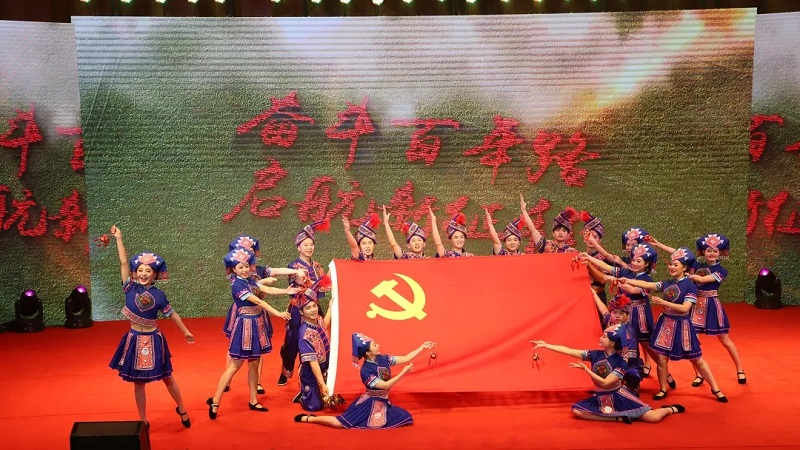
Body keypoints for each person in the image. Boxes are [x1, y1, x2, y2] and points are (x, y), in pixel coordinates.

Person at [613, 247, 728, 403]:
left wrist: (663, 302)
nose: (671, 267)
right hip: (666, 324)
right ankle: (663, 388)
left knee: (697, 359)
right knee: (661, 358)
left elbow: (685, 308)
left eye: (675, 265)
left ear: (684, 267)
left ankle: (715, 388)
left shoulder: (690, 286)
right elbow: (648, 285)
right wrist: (626, 280)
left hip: (682, 325)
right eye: (671, 264)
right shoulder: (666, 283)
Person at [107, 225, 194, 429]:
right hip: (134, 340)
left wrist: (185, 331)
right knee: (138, 383)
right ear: (135, 272)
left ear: (155, 274)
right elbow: (123, 262)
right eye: (140, 270)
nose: (144, 273)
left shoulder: (159, 295)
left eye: (148, 271)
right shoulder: (129, 287)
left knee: (168, 378)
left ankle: (182, 408)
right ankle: (143, 419)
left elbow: (172, 314)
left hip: (154, 339)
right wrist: (119, 238)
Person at [532, 326, 686, 424]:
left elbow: (606, 383)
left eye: (604, 336)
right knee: (577, 411)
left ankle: (669, 409)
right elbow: (570, 351)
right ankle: (618, 418)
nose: (601, 338)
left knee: (653, 418)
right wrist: (546, 345)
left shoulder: (621, 362)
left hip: (619, 397)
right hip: (601, 397)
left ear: (612, 343)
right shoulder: (595, 354)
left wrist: (586, 370)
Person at [207, 248, 295, 419]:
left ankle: (253, 400)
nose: (245, 269)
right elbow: (258, 301)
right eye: (240, 267)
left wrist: (286, 291)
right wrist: (278, 313)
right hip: (244, 326)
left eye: (246, 266)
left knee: (254, 364)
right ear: (234, 269)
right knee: (234, 366)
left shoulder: (250, 281)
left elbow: (265, 288)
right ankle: (216, 400)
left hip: (256, 325)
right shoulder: (237, 285)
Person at [650, 233, 746, 386]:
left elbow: (702, 279)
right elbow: (679, 254)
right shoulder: (697, 264)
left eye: (715, 251)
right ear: (703, 251)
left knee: (724, 339)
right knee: (692, 341)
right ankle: (698, 374)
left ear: (720, 253)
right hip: (693, 305)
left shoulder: (721, 270)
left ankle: (740, 368)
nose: (712, 253)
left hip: (711, 305)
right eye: (709, 250)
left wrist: (686, 275)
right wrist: (659, 245)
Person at [294, 333, 436, 428]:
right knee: (340, 423)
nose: (378, 345)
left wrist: (422, 347)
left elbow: (406, 358)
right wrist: (404, 372)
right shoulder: (365, 371)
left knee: (405, 417)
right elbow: (385, 385)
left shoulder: (383, 358)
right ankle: (310, 419)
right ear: (367, 353)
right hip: (370, 402)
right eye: (374, 345)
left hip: (383, 401)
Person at [224, 236, 307, 394]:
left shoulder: (259, 269)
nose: (248, 254)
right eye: (244, 251)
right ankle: (227, 379)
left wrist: (296, 271)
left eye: (250, 250)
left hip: (259, 311)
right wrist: (264, 282)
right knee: (233, 346)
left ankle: (257, 382)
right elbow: (250, 287)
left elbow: (277, 271)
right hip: (242, 311)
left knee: (258, 347)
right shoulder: (236, 272)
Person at [581, 242, 661, 380]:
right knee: (619, 341)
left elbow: (633, 290)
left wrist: (615, 280)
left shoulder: (647, 279)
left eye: (639, 261)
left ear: (646, 264)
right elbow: (606, 267)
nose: (634, 263)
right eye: (633, 260)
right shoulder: (626, 272)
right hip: (622, 313)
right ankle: (621, 373)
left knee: (647, 345)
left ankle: (663, 371)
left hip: (639, 315)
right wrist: (588, 257)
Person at [279, 219, 330, 386]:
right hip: (298, 309)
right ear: (298, 247)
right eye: (305, 245)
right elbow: (301, 284)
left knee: (319, 339)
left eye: (311, 244)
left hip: (314, 307)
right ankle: (286, 370)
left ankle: (316, 372)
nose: (309, 247)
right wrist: (319, 282)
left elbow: (324, 288)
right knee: (293, 341)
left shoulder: (318, 266)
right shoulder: (294, 266)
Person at [295, 276, 334, 412]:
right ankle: (303, 393)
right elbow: (313, 363)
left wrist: (330, 307)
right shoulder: (304, 335)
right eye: (308, 308)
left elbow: (325, 324)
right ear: (301, 312)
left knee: (335, 400)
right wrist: (323, 385)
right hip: (311, 372)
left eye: (314, 306)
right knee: (315, 406)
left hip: (327, 367)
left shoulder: (318, 319)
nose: (313, 310)